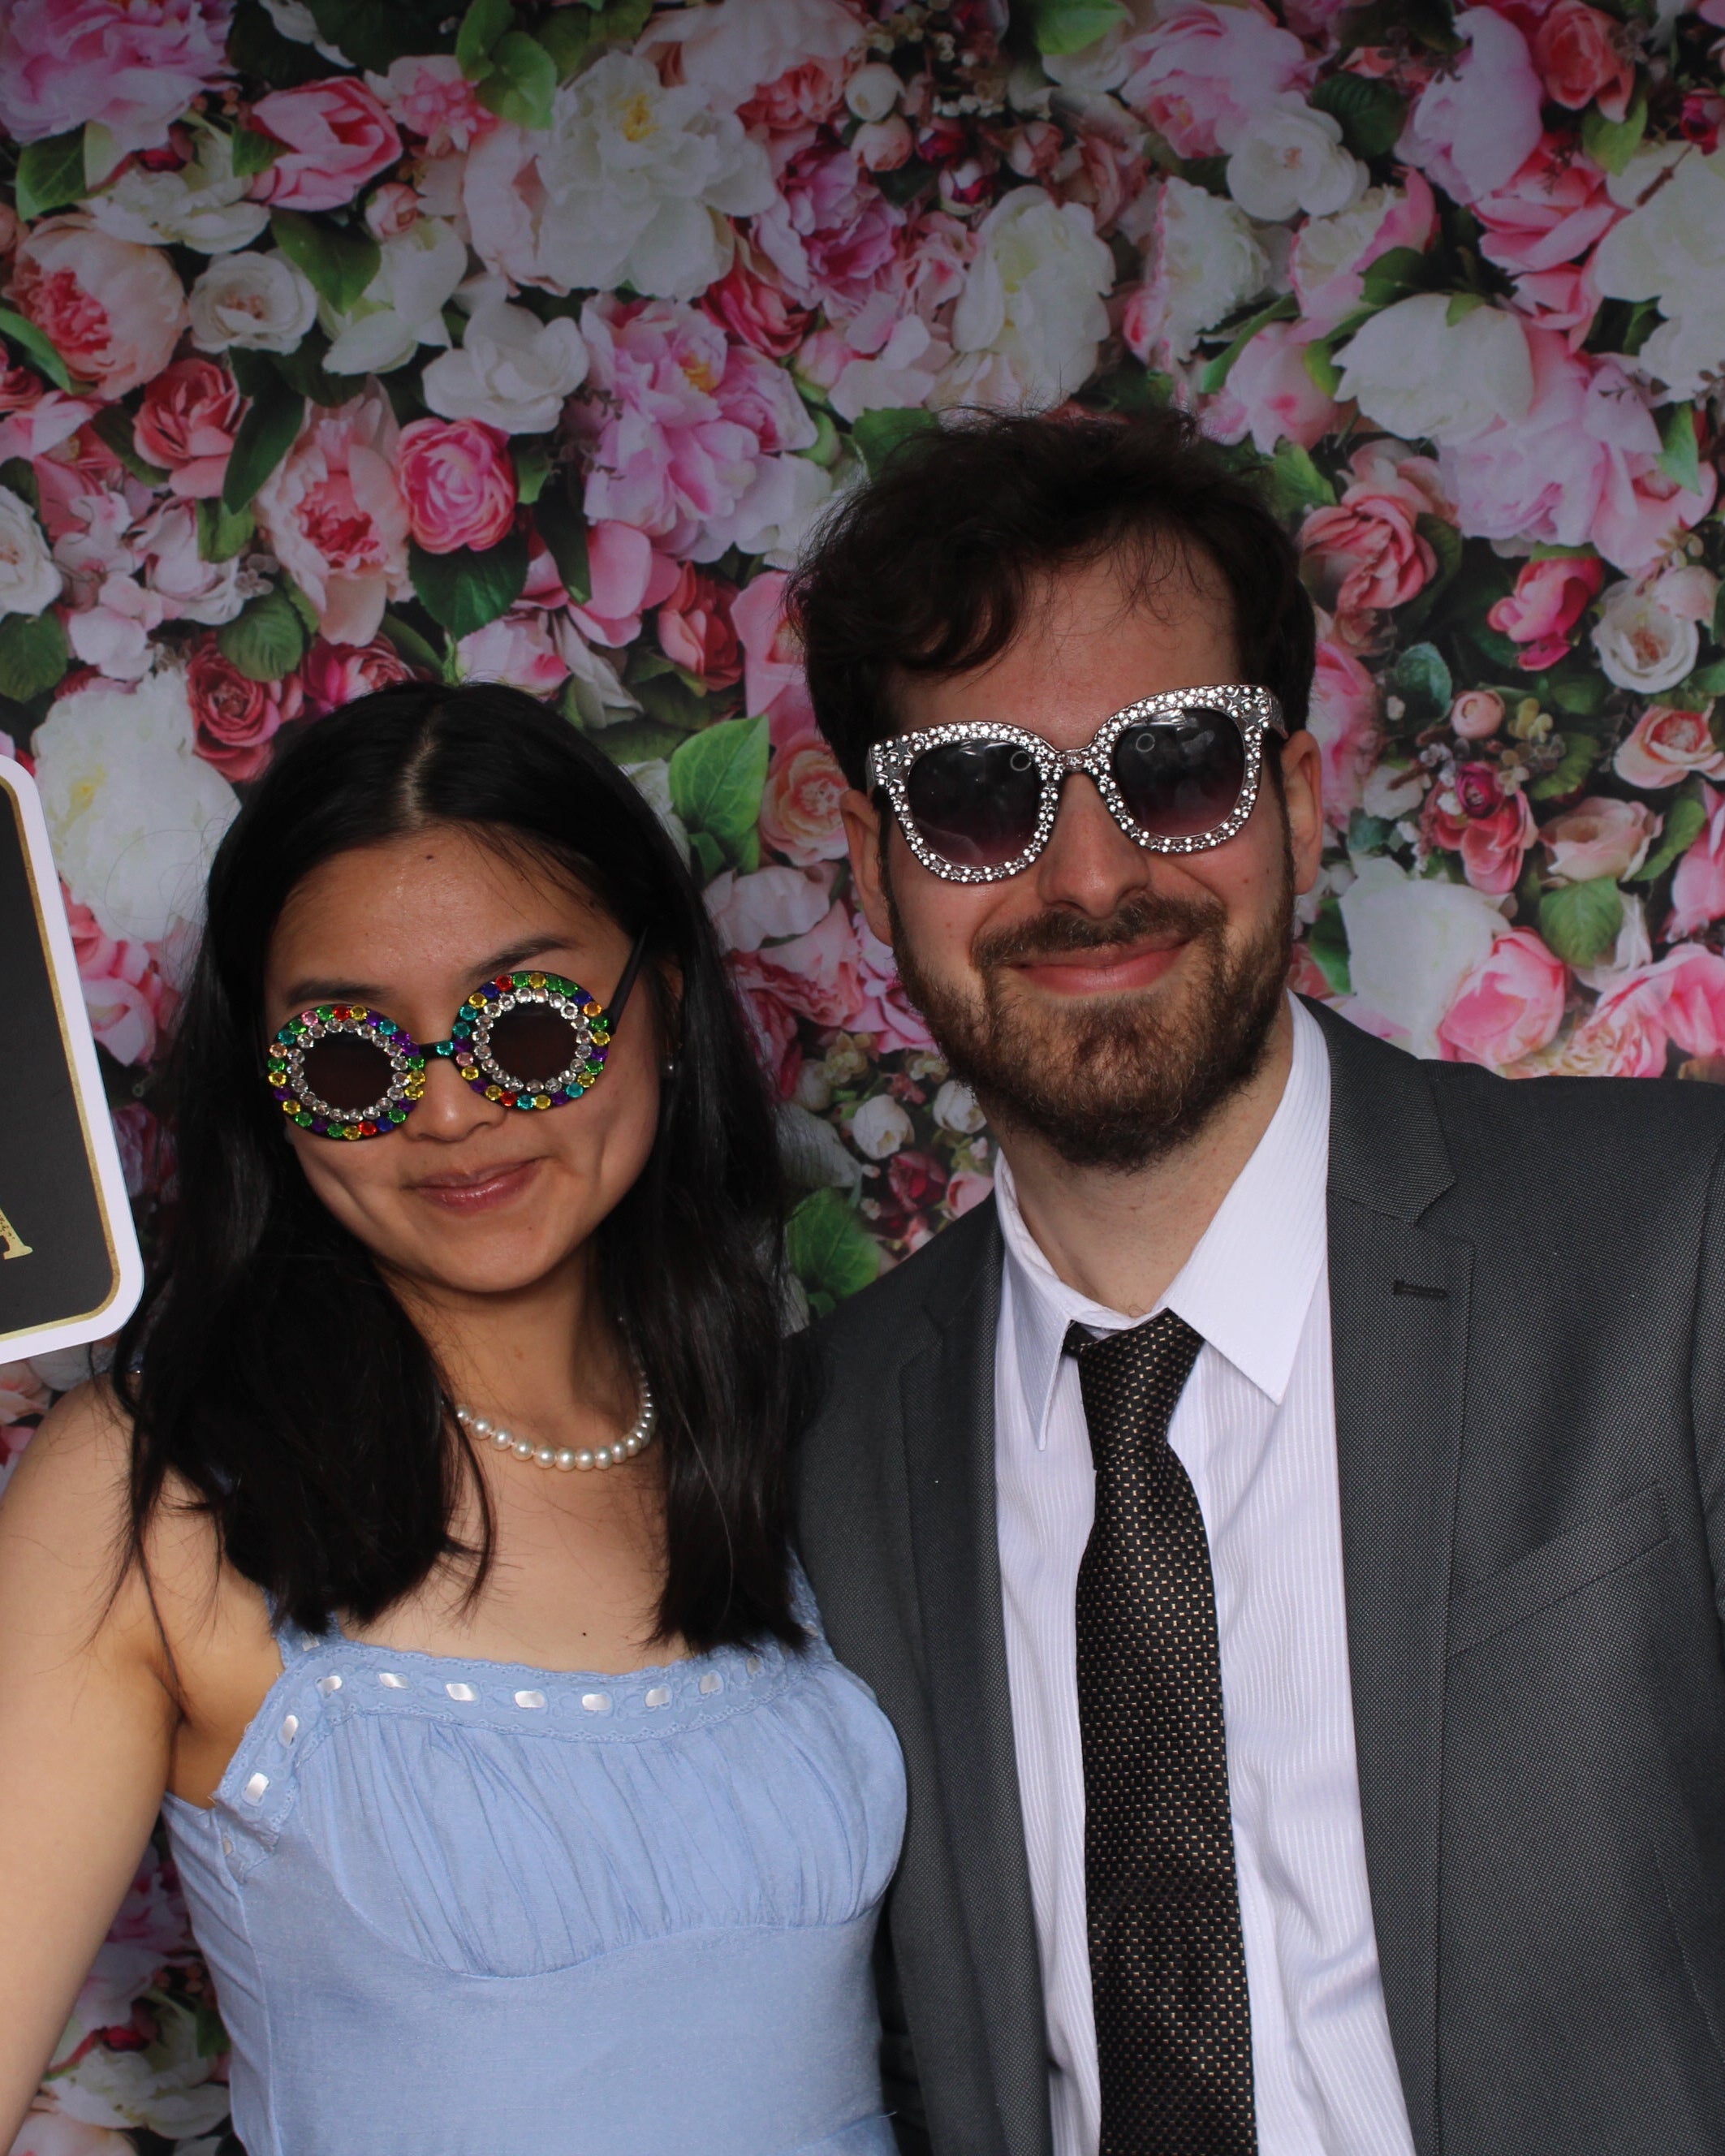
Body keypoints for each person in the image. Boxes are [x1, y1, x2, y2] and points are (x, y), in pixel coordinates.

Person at [787, 407, 1725, 2156]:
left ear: (1292, 793)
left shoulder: (1677, 1251)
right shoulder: (828, 1437)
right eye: (980, 796)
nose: (1087, 876)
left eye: (1174, 766)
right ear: (870, 858)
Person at [0, 683, 906, 2156]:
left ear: (660, 1005)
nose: (446, 1111)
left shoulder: (792, 1433)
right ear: (274, 1098)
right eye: (352, 1059)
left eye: (528, 1030)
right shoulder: (154, 1494)